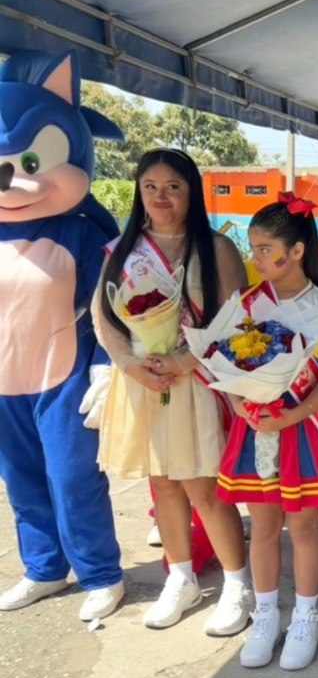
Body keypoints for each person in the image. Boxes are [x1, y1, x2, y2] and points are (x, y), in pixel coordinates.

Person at [94, 149, 251, 633]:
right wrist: (129, 364)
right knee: (162, 482)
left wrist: (183, 360)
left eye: (173, 187)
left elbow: (232, 319)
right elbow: (103, 315)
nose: (161, 197)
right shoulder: (123, 249)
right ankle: (181, 577)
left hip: (196, 381)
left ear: (192, 192)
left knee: (203, 486)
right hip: (142, 380)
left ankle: (238, 585)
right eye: (151, 187)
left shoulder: (217, 249)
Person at [0, 50, 124, 622]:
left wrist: (105, 364)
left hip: (65, 375)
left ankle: (100, 571)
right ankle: (44, 567)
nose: (15, 180)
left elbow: (111, 306)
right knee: (21, 479)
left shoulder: (81, 234)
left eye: (29, 161)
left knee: (73, 476)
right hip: (6, 380)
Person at [217, 194, 318, 670]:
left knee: (302, 526)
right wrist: (241, 405)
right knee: (263, 527)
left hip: (303, 429)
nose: (255, 258)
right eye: (253, 248)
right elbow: (224, 363)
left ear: (296, 251)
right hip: (257, 429)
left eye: (264, 249)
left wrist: (292, 416)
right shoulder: (245, 304)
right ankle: (264, 616)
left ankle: (304, 616)